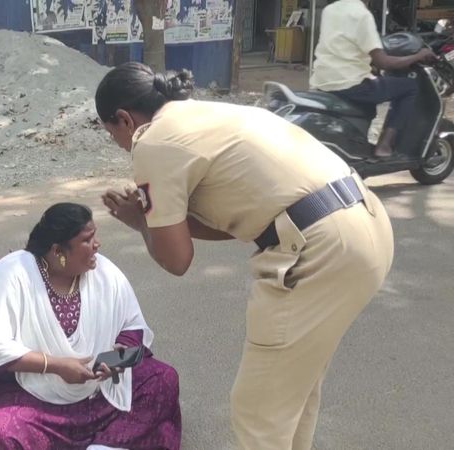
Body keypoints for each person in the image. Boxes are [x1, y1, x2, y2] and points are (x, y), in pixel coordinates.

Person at [95, 62, 394, 450]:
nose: (119, 143)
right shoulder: (210, 114)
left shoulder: (153, 142)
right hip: (363, 227)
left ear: (123, 118)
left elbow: (177, 260)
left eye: (112, 134)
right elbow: (242, 222)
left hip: (320, 250)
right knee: (292, 393)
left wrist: (140, 222)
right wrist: (158, 218)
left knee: (257, 410)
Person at [0, 203, 182, 450]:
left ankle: (103, 446)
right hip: (34, 394)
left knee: (163, 379)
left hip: (98, 390)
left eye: (95, 236)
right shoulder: (13, 274)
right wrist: (56, 366)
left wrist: (117, 358)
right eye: (87, 240)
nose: (97, 245)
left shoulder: (104, 272)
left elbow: (132, 326)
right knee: (3, 430)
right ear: (58, 251)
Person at [310, 0, 436, 158]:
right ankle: (384, 145)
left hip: (322, 80)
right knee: (409, 87)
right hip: (351, 84)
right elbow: (383, 62)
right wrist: (419, 55)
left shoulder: (329, 10)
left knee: (377, 82)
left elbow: (343, 46)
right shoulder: (362, 14)